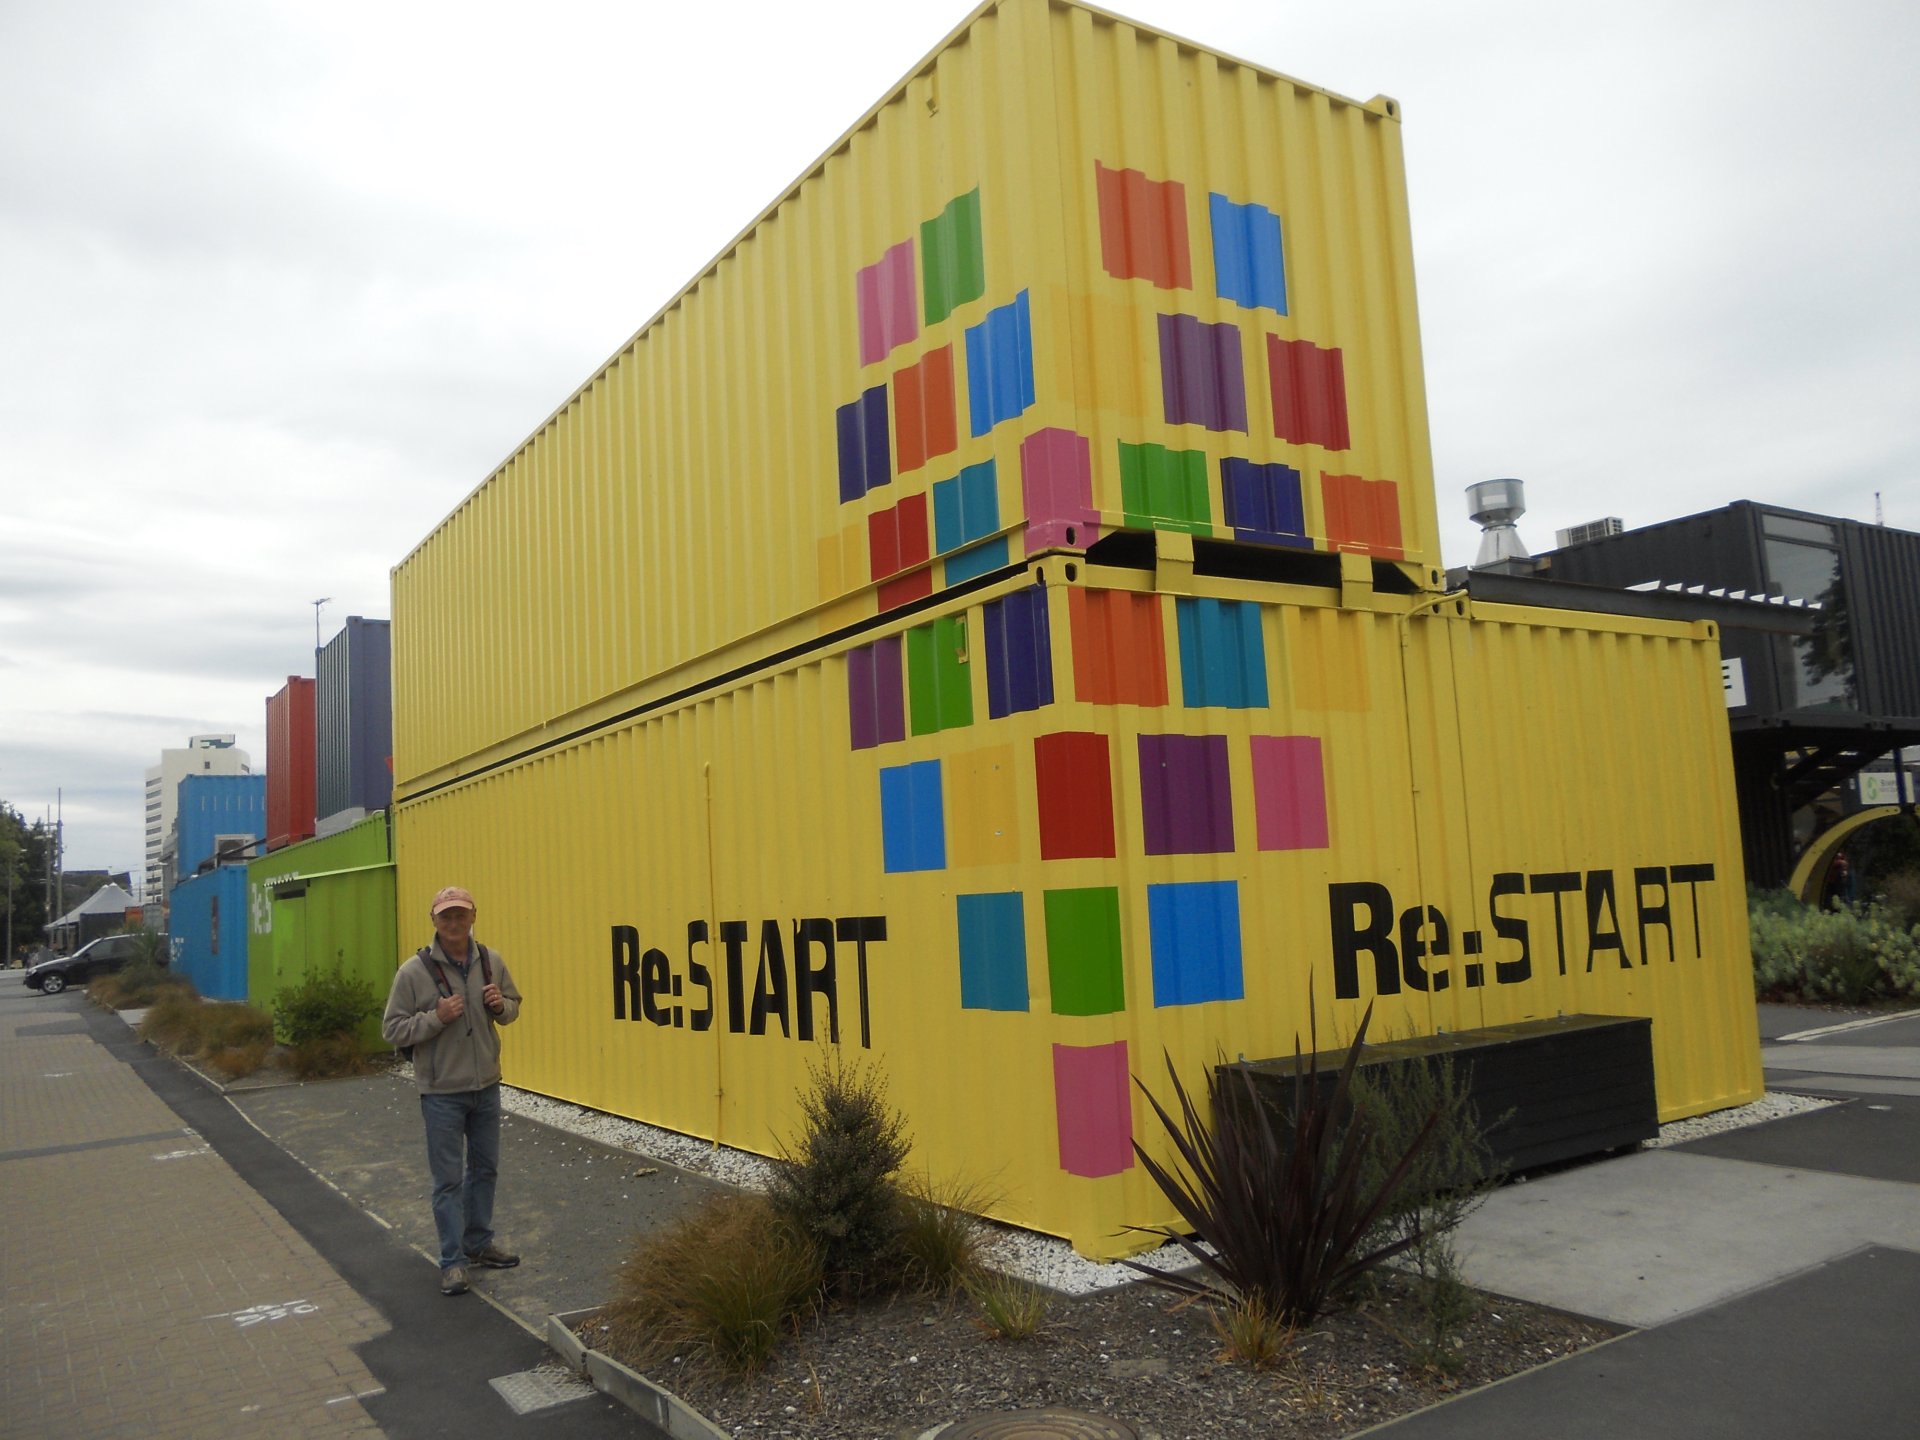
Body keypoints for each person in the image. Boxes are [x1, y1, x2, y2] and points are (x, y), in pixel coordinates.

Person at [381, 884, 524, 1296]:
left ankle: (478, 1243)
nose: (454, 922)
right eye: (446, 916)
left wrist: (500, 1006)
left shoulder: (491, 961)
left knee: (485, 1170)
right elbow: (392, 1029)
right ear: (434, 921)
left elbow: (513, 1008)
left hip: (486, 1086)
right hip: (441, 1092)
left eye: (461, 914)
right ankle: (453, 1262)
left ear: (473, 917)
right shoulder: (413, 972)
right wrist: (436, 1017)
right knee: (447, 1182)